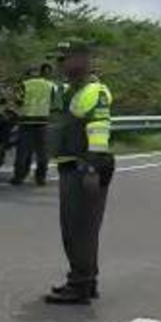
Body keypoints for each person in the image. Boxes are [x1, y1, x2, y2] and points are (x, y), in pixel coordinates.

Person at [45, 39, 115, 305]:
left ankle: (80, 284)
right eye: (59, 59)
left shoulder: (94, 91)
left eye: (66, 58)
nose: (60, 63)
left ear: (83, 59)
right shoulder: (70, 91)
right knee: (75, 228)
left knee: (80, 230)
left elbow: (99, 130)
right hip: (71, 166)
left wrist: (92, 169)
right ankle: (85, 280)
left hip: (85, 167)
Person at [11, 63, 57, 186]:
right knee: (42, 152)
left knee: (23, 151)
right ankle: (41, 178)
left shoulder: (24, 85)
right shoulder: (51, 86)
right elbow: (55, 104)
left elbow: (18, 101)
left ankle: (18, 177)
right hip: (42, 122)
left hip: (26, 121)